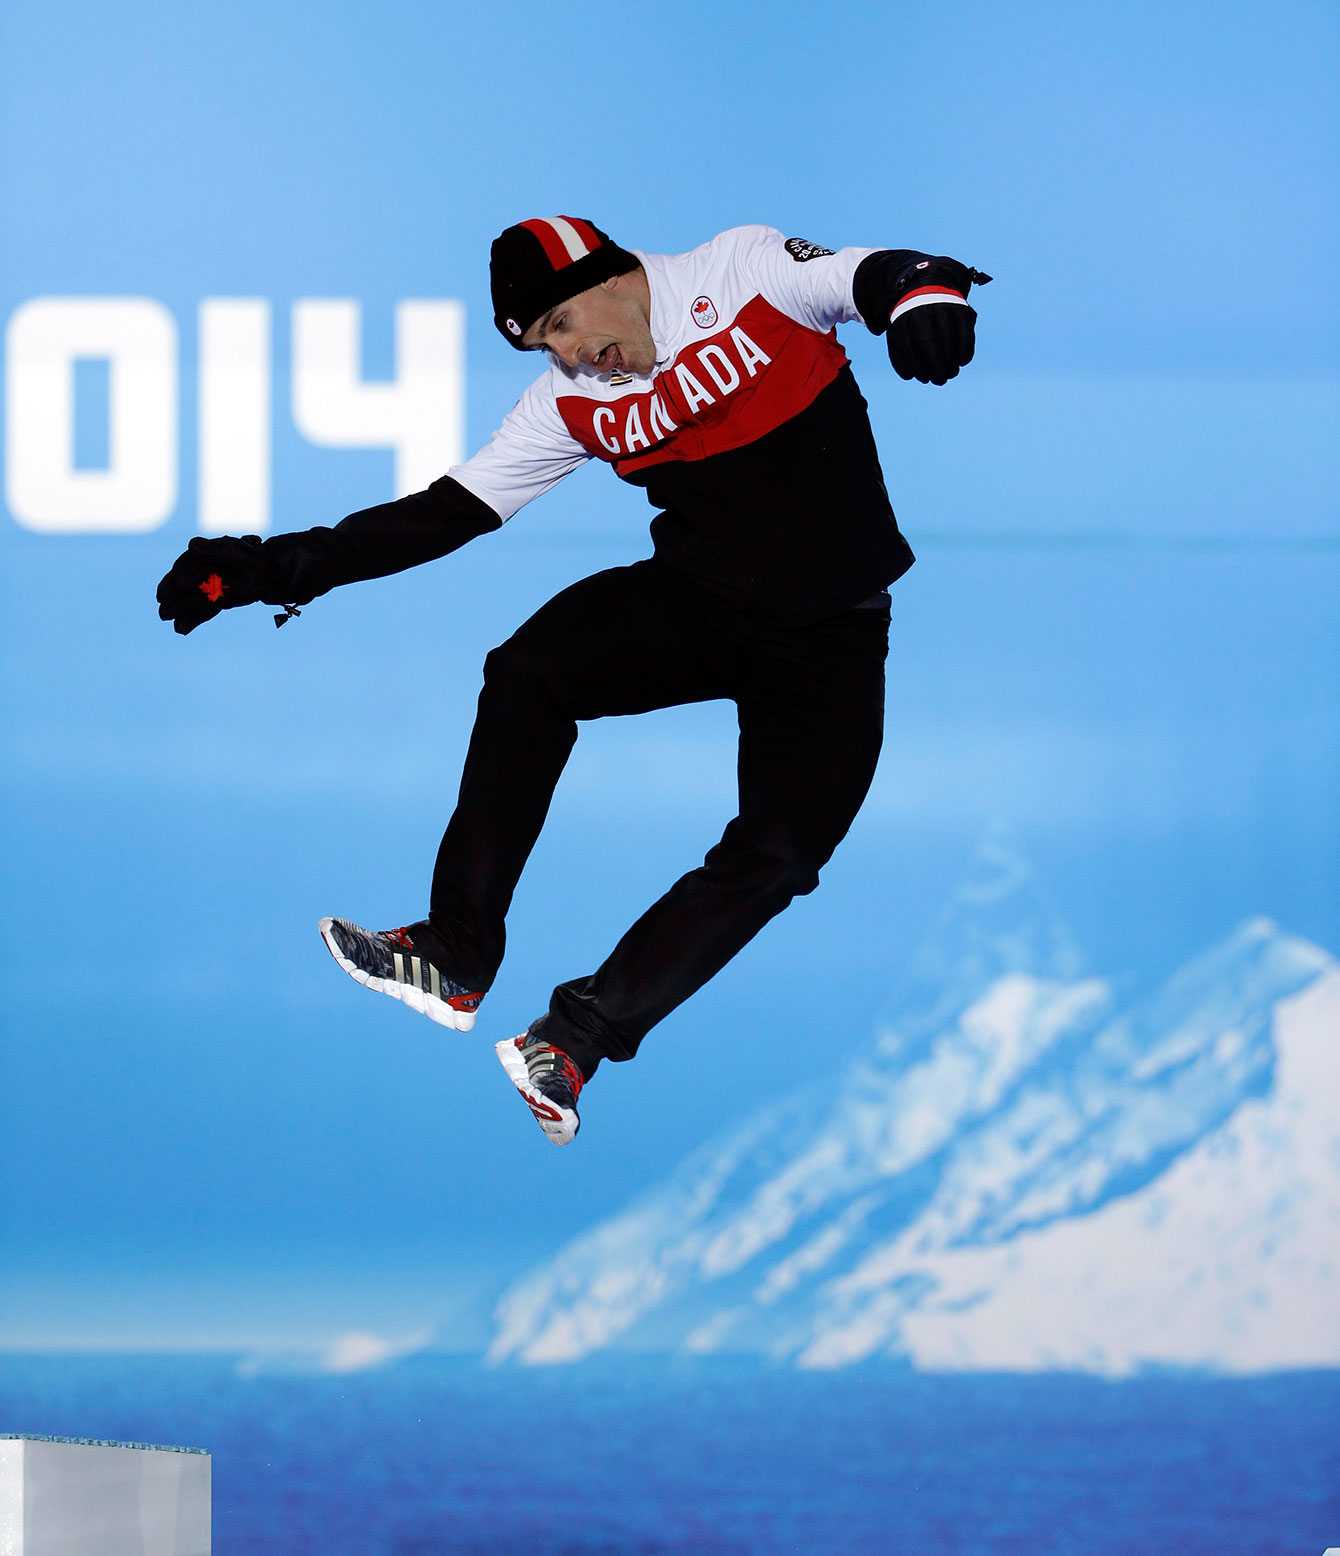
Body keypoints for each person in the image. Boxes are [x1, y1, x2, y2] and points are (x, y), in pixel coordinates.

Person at [157, 216, 989, 1146]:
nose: (569, 356)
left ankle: (576, 1036)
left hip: (828, 636)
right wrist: (267, 569)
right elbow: (440, 517)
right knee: (528, 672)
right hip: (696, 605)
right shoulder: (564, 402)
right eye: (543, 343)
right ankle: (455, 952)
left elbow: (879, 272)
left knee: (782, 854)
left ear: (611, 275)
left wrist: (925, 298)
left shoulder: (743, 270)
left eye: (560, 323)